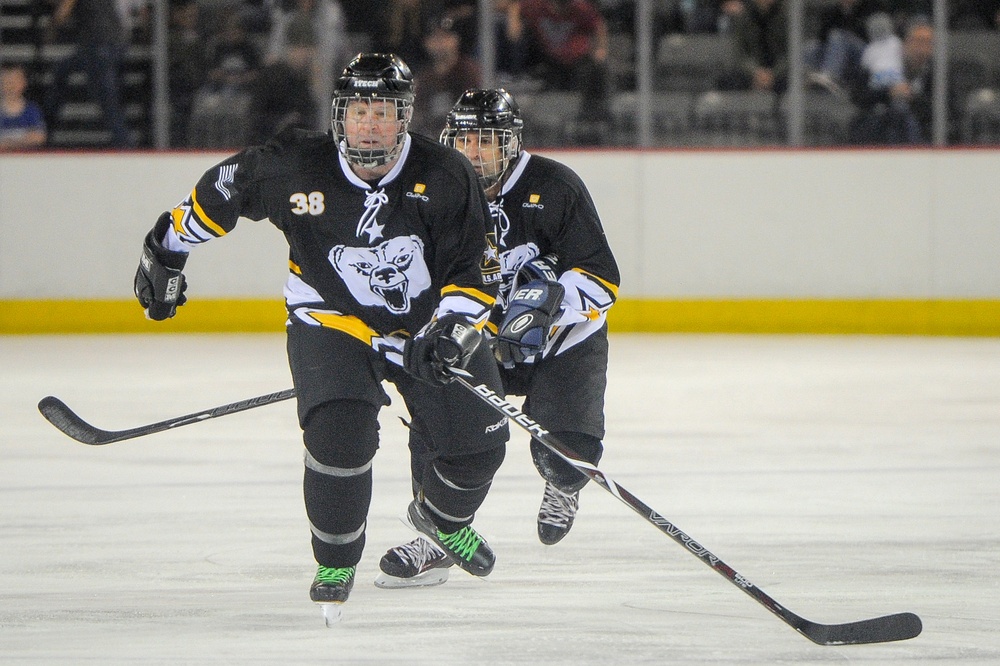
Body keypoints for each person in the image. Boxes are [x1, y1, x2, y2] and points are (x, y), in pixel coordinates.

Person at [132, 53, 510, 615]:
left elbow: (472, 268)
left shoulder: (445, 173)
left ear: (405, 115)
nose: (371, 123)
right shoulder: (297, 164)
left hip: (426, 327)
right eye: (360, 109)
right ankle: (336, 557)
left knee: (480, 443)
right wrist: (165, 252)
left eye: (384, 110)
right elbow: (222, 189)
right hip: (331, 321)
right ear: (340, 113)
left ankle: (441, 519)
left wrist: (452, 331)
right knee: (338, 439)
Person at [376, 88, 619, 588]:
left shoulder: (554, 185)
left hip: (560, 342)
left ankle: (563, 484)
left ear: (510, 144)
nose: (474, 153)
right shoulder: (433, 191)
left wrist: (548, 304)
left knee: (565, 457)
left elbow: (601, 275)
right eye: (464, 140)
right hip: (473, 341)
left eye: (486, 141)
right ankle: (439, 533)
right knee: (441, 430)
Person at [44, 0, 135, 148]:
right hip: (110, 41)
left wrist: (52, 27)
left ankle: (124, 144)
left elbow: (64, 10)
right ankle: (46, 129)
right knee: (63, 70)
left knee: (106, 99)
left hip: (97, 43)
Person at [849, 18, 934, 144]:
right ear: (905, 43)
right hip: (877, 132)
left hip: (920, 134)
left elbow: (945, 108)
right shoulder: (882, 64)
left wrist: (911, 96)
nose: (922, 48)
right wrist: (888, 92)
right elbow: (859, 96)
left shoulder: (937, 75)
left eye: (928, 43)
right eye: (918, 41)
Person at [409, 15, 482, 138]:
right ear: (426, 43)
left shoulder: (468, 71)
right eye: (435, 38)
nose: (440, 43)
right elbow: (418, 115)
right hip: (432, 139)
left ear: (456, 40)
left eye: (445, 37)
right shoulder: (424, 77)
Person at [718, 0, 787, 92]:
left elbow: (791, 53)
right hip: (750, 73)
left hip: (780, 73)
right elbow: (740, 53)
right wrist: (756, 72)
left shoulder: (787, 17)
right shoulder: (743, 17)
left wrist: (773, 73)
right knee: (729, 81)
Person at [0, 63, 47, 150]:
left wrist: (10, 144)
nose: (11, 85)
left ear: (24, 83)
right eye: (6, 81)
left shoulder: (32, 110)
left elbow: (39, 138)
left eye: (15, 80)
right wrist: (24, 140)